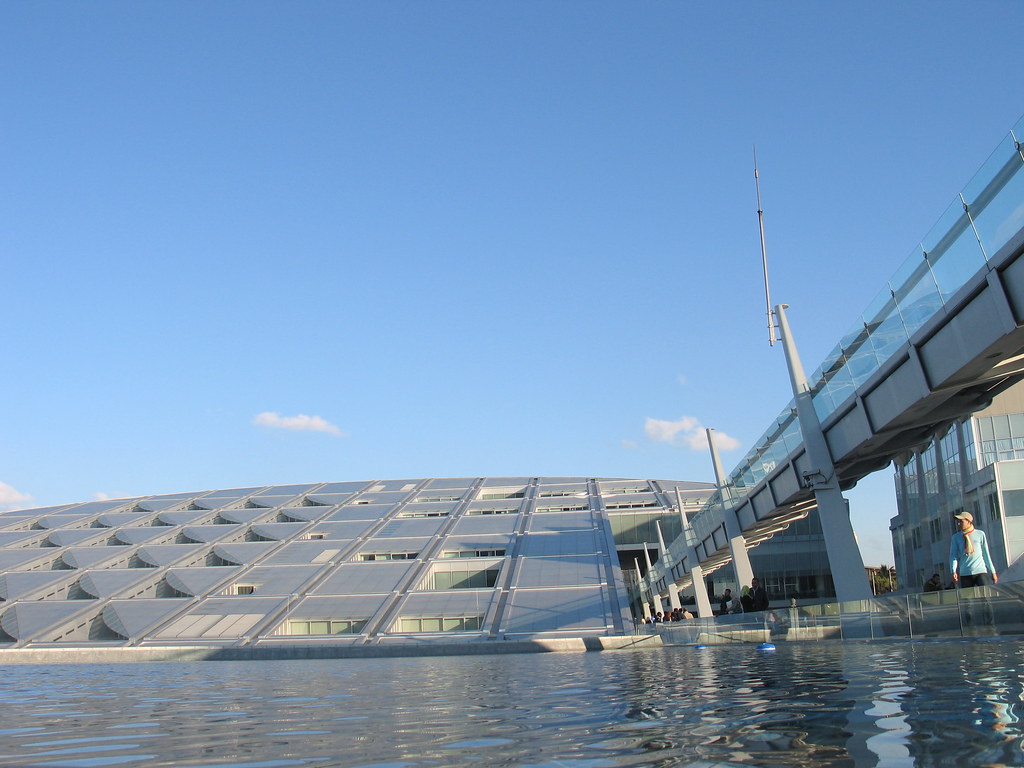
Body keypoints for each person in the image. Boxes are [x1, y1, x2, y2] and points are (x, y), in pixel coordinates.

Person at [949, 511, 999, 588]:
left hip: (980, 571)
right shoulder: (956, 537)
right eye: (958, 522)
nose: (959, 524)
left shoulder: (980, 534)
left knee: (986, 597)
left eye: (961, 521)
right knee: (968, 599)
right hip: (965, 573)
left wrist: (993, 571)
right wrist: (953, 571)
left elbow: (986, 554)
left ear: (968, 521)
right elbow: (953, 556)